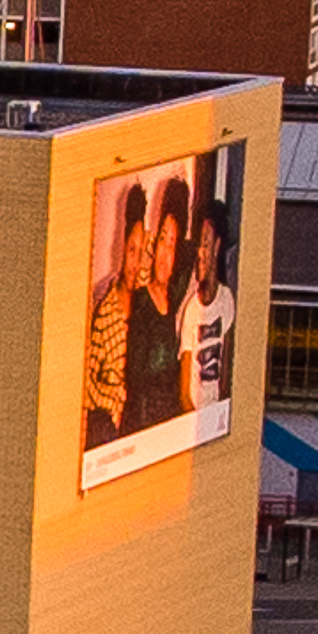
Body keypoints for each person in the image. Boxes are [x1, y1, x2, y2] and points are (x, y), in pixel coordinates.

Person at [83, 178, 153, 448]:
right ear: (121, 249)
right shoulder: (104, 311)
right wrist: (113, 400)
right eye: (131, 251)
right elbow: (86, 387)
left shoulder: (149, 291)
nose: (135, 263)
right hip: (110, 428)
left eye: (141, 250)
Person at [125, 179, 194, 437]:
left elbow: (189, 254)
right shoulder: (142, 299)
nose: (165, 252)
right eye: (162, 238)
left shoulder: (176, 298)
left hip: (171, 427)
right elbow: (139, 375)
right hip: (142, 426)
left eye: (172, 243)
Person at [183, 195, 238, 413]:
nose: (200, 254)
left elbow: (226, 379)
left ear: (216, 247)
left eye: (205, 244)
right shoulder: (191, 310)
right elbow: (184, 392)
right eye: (198, 245)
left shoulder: (227, 301)